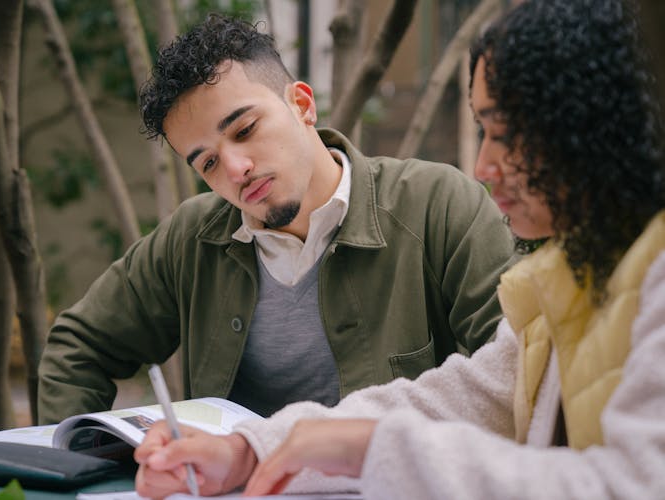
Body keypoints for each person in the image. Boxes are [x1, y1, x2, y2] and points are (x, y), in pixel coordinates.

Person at [133, 1, 665, 498]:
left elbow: (633, 484)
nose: (484, 167)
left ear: (593, 120)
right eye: (206, 163)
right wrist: (250, 451)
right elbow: (470, 393)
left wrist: (373, 450)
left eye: (507, 133)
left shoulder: (644, 270)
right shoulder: (579, 269)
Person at [37, 14, 516, 423]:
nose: (235, 170)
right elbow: (78, 347)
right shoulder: (192, 240)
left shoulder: (440, 208)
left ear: (302, 105)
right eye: (207, 163)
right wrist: (82, 465)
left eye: (245, 130)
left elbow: (516, 371)